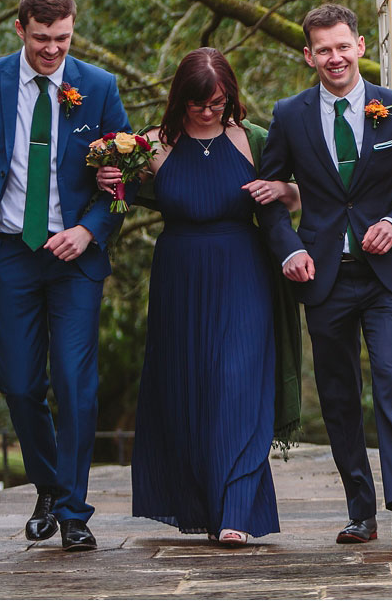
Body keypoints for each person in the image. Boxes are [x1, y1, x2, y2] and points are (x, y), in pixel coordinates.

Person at [256, 4, 392, 546]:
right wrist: (289, 248)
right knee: (339, 396)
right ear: (308, 55)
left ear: (360, 46)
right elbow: (270, 199)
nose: (334, 57)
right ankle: (360, 510)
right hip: (324, 278)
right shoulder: (289, 115)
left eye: (343, 46)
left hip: (388, 276)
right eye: (323, 49)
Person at [97, 48, 301, 546]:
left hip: (243, 272)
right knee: (190, 387)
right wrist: (109, 179)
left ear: (229, 95)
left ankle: (236, 510)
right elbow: (118, 195)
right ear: (180, 100)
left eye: (216, 102)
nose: (207, 112)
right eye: (197, 105)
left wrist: (287, 208)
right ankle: (199, 503)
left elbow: (295, 194)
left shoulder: (254, 140)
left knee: (239, 384)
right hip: (179, 278)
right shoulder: (152, 146)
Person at [0, 0, 129, 550]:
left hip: (75, 258)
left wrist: (89, 229)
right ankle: (48, 486)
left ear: (73, 26)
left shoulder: (99, 88)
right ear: (21, 27)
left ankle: (74, 513)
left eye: (63, 38)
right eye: (42, 38)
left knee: (77, 386)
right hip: (9, 255)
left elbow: (125, 179)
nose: (53, 49)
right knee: (22, 386)